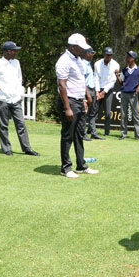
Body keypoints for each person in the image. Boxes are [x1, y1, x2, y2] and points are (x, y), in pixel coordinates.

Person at [0, 41, 40, 156]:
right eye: (14, 50)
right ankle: (6, 149)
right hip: (3, 98)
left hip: (15, 98)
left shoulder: (16, 62)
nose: (16, 52)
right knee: (3, 125)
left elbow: (19, 78)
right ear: (7, 51)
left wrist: (20, 92)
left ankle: (27, 148)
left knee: (21, 124)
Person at [55, 33, 99, 179]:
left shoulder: (78, 60)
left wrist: (86, 98)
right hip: (69, 101)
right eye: (81, 48)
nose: (84, 51)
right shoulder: (64, 61)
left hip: (79, 101)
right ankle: (66, 168)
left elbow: (81, 80)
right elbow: (62, 85)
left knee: (79, 134)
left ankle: (81, 166)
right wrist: (67, 108)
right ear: (73, 46)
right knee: (68, 135)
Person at [115, 50, 139, 141]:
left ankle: (138, 134)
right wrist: (117, 76)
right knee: (123, 115)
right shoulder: (124, 70)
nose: (127, 58)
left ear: (133, 59)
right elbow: (121, 83)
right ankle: (123, 134)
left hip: (133, 94)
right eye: (127, 57)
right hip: (124, 94)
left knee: (136, 115)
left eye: (129, 57)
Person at [93, 47, 119, 138]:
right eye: (107, 55)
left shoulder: (115, 65)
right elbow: (96, 78)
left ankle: (107, 132)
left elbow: (112, 81)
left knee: (108, 112)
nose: (109, 56)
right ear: (103, 54)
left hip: (108, 90)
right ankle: (91, 130)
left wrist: (104, 92)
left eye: (111, 55)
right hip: (98, 88)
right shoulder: (97, 64)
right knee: (95, 110)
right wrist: (97, 91)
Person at [81, 47, 97, 141]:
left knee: (92, 113)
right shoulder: (83, 64)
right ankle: (83, 134)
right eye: (91, 53)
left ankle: (93, 132)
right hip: (86, 90)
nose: (92, 55)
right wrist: (88, 95)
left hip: (92, 89)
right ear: (87, 53)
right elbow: (83, 81)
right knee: (84, 113)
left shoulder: (88, 64)